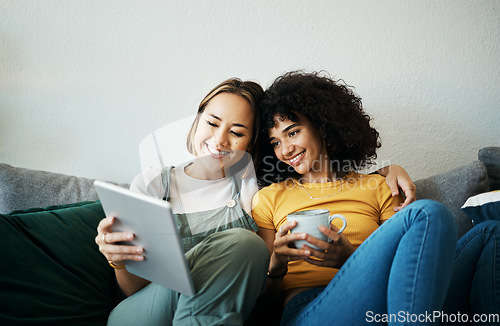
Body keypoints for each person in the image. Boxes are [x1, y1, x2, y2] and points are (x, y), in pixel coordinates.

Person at [95, 77, 417, 326]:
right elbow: (132, 289)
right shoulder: (153, 182)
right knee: (243, 245)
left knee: (246, 246)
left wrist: (386, 171)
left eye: (237, 132)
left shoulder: (253, 188)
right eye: (212, 123)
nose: (220, 140)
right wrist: (120, 258)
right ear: (197, 118)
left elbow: (327, 181)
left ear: (251, 145)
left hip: (214, 312)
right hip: (144, 311)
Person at [252, 71, 500, 325]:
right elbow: (261, 307)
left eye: (292, 133)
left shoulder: (377, 187)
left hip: (383, 302)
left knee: (491, 231)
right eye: (275, 142)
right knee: (427, 213)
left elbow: (406, 272)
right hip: (310, 308)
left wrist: (347, 258)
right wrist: (277, 265)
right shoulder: (269, 198)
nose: (285, 149)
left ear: (322, 125)